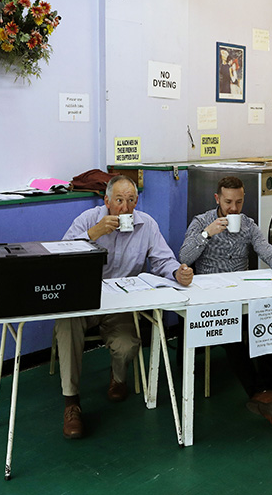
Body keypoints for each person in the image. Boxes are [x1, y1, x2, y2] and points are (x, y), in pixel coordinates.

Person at [57, 175, 193, 439]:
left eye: (130, 201)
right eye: (118, 200)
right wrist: (93, 234)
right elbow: (60, 256)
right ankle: (71, 402)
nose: (124, 207)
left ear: (136, 202)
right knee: (65, 325)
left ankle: (118, 377)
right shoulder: (87, 220)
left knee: (128, 345)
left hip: (120, 304)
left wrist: (178, 272)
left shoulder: (147, 225)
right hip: (83, 302)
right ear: (106, 201)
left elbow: (164, 260)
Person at [179, 176, 272, 431]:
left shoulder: (247, 225)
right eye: (228, 202)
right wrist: (207, 233)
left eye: (238, 202)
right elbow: (184, 255)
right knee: (231, 330)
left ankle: (267, 390)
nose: (233, 208)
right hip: (211, 295)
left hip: (243, 291)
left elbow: (265, 248)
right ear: (217, 199)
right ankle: (262, 393)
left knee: (269, 317)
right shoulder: (202, 221)